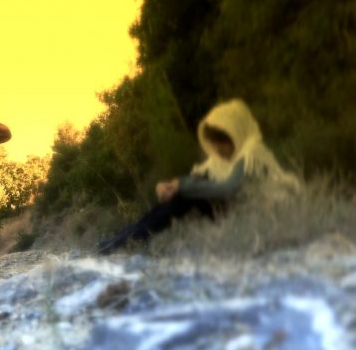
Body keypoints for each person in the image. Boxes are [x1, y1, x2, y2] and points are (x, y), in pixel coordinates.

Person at [98, 98, 300, 255]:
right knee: (184, 193)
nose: (218, 151)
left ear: (235, 135)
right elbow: (196, 176)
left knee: (188, 192)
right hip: (236, 213)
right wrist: (166, 186)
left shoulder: (251, 152)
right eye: (215, 146)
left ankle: (122, 243)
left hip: (257, 218)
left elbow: (228, 188)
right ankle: (120, 240)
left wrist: (182, 185)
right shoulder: (222, 160)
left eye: (222, 145)